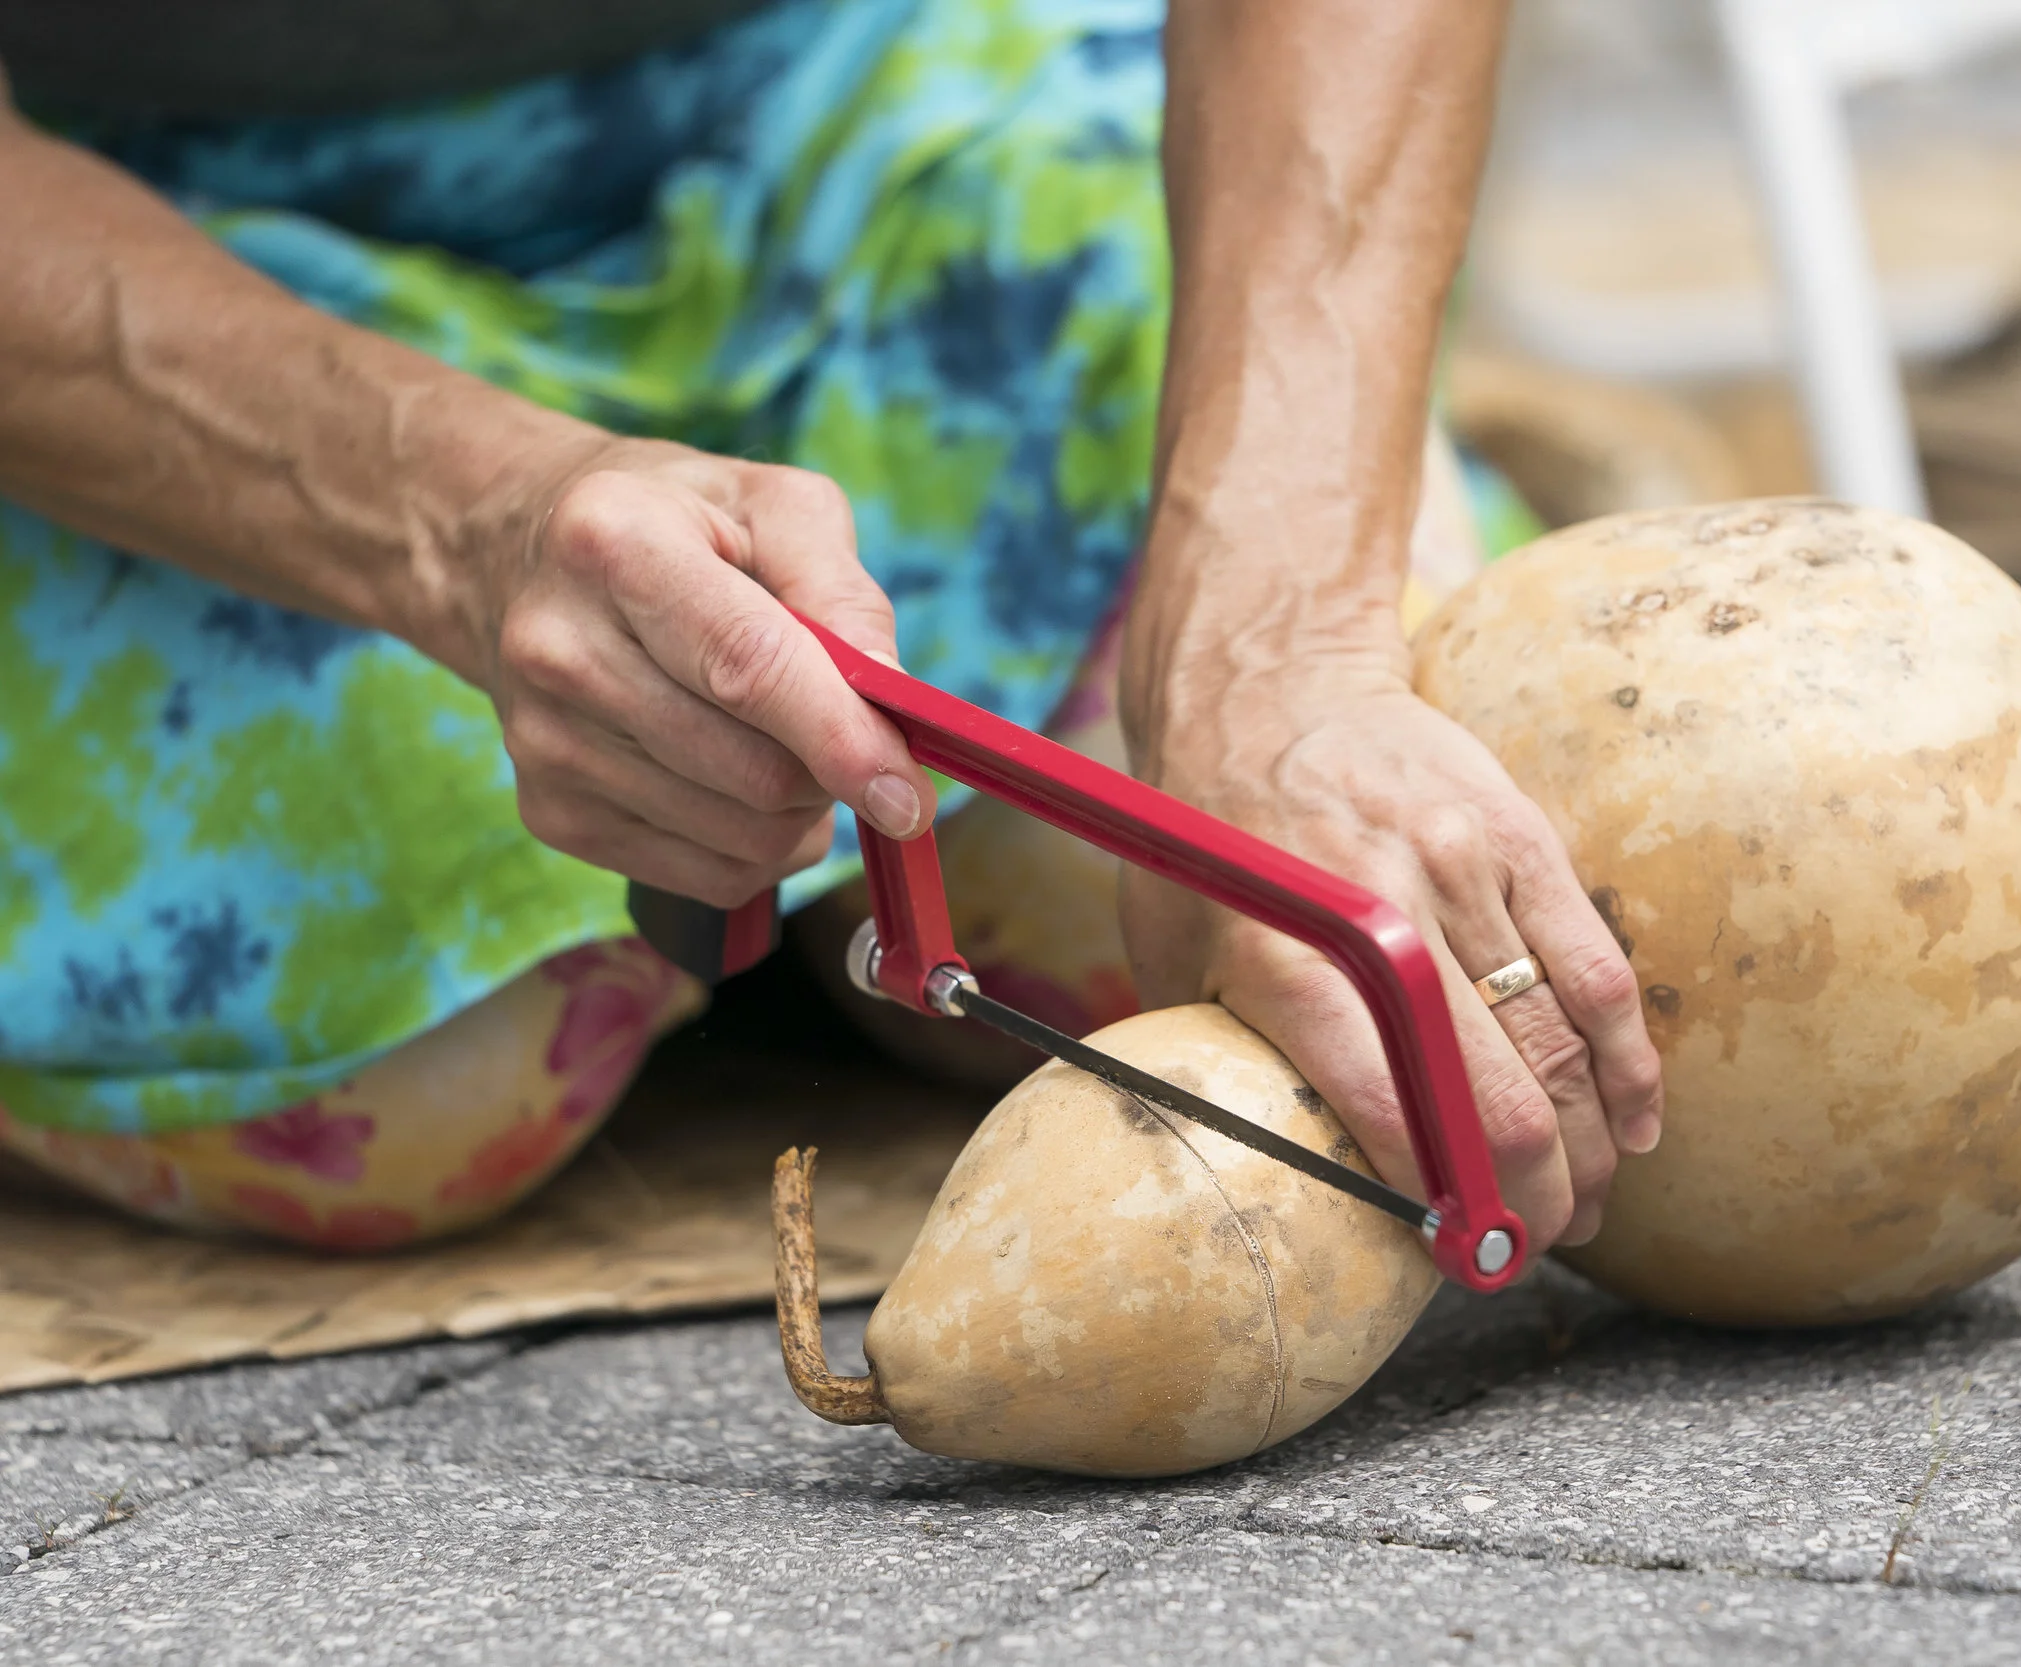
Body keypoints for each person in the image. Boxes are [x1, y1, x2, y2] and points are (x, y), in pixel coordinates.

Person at [0, 0, 1659, 1256]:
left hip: (867, 89)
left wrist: (1273, 650)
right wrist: (462, 525)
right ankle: (753, 942)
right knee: (404, 1088)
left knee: (1342, 933)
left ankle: (797, 921)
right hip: (124, 231)